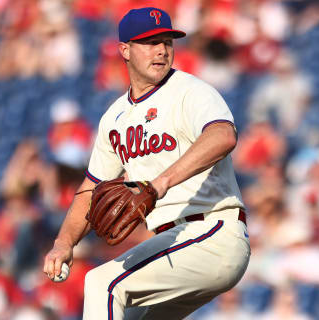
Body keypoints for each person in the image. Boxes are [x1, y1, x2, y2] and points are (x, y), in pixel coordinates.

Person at [43, 7, 250, 320]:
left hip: (213, 232)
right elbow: (91, 188)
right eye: (149, 42)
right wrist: (63, 243)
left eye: (166, 41)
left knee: (103, 284)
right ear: (124, 50)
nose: (161, 50)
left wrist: (159, 183)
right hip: (173, 243)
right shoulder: (114, 118)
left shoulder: (190, 92)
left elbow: (223, 136)